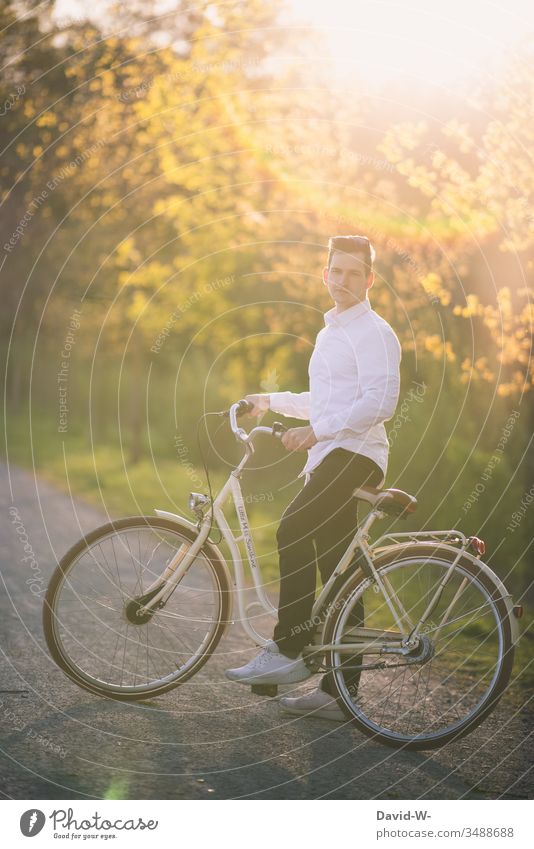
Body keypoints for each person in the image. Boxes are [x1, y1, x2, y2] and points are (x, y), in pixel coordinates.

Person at [225, 235, 402, 721]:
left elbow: (380, 403)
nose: (342, 281)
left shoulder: (375, 333)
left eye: (353, 273)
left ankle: (287, 651)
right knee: (339, 573)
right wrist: (268, 400)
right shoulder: (330, 333)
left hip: (356, 454)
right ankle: (339, 693)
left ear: (368, 280)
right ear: (324, 274)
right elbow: (324, 401)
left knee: (290, 529)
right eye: (335, 271)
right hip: (332, 455)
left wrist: (316, 431)